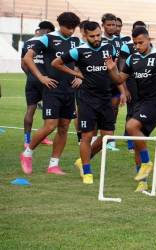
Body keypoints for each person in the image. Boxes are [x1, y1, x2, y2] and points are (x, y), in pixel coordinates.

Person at [109, 27, 156, 192]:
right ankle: (142, 182)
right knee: (138, 141)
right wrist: (111, 69)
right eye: (135, 43)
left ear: (149, 39)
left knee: (130, 127)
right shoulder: (132, 59)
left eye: (141, 42)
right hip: (142, 103)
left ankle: (147, 162)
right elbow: (119, 79)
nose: (137, 46)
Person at [52, 21, 120, 184]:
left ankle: (83, 160)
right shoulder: (78, 51)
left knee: (108, 137)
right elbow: (56, 63)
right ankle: (87, 172)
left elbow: (115, 74)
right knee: (87, 136)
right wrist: (75, 74)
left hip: (105, 98)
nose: (97, 38)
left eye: (98, 35)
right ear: (84, 35)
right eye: (92, 36)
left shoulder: (109, 48)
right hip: (87, 99)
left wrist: (112, 71)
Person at [20, 12, 81, 175]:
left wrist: (79, 76)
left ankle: (53, 165)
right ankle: (27, 154)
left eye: (73, 28)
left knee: (64, 127)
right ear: (60, 25)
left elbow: (84, 59)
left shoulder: (76, 41)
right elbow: (27, 58)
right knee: (50, 126)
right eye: (68, 28)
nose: (71, 31)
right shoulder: (48, 38)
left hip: (69, 90)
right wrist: (40, 76)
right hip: (52, 89)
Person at [21, 21, 55, 149]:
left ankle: (27, 140)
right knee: (47, 111)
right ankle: (43, 137)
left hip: (31, 79)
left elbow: (23, 64)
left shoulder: (28, 42)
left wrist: (31, 76)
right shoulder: (49, 40)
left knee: (30, 109)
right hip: (46, 79)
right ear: (48, 30)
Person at [119, 21, 147, 153]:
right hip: (130, 83)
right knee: (132, 112)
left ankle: (136, 137)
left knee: (141, 112)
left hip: (144, 84)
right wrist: (124, 89)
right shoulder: (126, 47)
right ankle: (130, 142)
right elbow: (122, 69)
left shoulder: (150, 48)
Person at [101, 13, 127, 151]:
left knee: (114, 109)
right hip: (100, 82)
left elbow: (120, 63)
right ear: (103, 25)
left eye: (114, 25)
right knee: (99, 111)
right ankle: (93, 138)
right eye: (109, 25)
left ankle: (110, 139)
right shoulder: (98, 40)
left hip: (115, 81)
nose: (112, 28)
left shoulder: (118, 41)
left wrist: (123, 87)